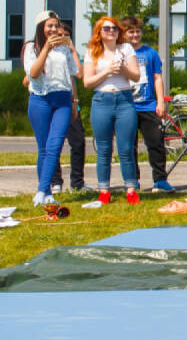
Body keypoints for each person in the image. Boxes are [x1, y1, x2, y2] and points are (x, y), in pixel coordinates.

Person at [82, 15, 142, 205]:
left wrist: (123, 68)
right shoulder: (92, 51)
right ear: (99, 32)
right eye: (107, 28)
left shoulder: (126, 48)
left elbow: (136, 76)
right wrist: (107, 71)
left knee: (126, 148)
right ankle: (104, 190)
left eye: (115, 28)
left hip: (124, 100)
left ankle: (131, 189)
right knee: (104, 149)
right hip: (102, 100)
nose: (111, 31)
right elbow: (87, 82)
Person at [23, 11, 79, 206]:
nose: (54, 29)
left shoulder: (64, 48)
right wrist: (46, 48)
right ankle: (46, 192)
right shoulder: (31, 48)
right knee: (44, 148)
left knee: (55, 145)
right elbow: (33, 73)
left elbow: (74, 73)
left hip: (62, 99)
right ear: (41, 28)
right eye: (50, 26)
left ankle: (41, 190)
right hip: (40, 100)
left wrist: (74, 101)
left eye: (56, 25)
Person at [120, 16, 173, 193]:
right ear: (124, 33)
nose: (135, 35)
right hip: (127, 106)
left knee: (156, 143)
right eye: (131, 32)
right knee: (129, 146)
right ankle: (132, 181)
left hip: (148, 105)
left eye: (137, 31)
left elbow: (157, 78)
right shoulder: (119, 52)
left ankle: (160, 179)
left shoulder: (150, 53)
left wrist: (160, 101)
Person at [37, 21, 87, 193]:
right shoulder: (47, 52)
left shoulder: (68, 52)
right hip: (50, 101)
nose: (62, 38)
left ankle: (77, 182)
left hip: (69, 102)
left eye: (66, 35)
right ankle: (55, 181)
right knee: (53, 144)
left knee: (78, 142)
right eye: (59, 35)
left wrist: (72, 49)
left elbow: (79, 74)